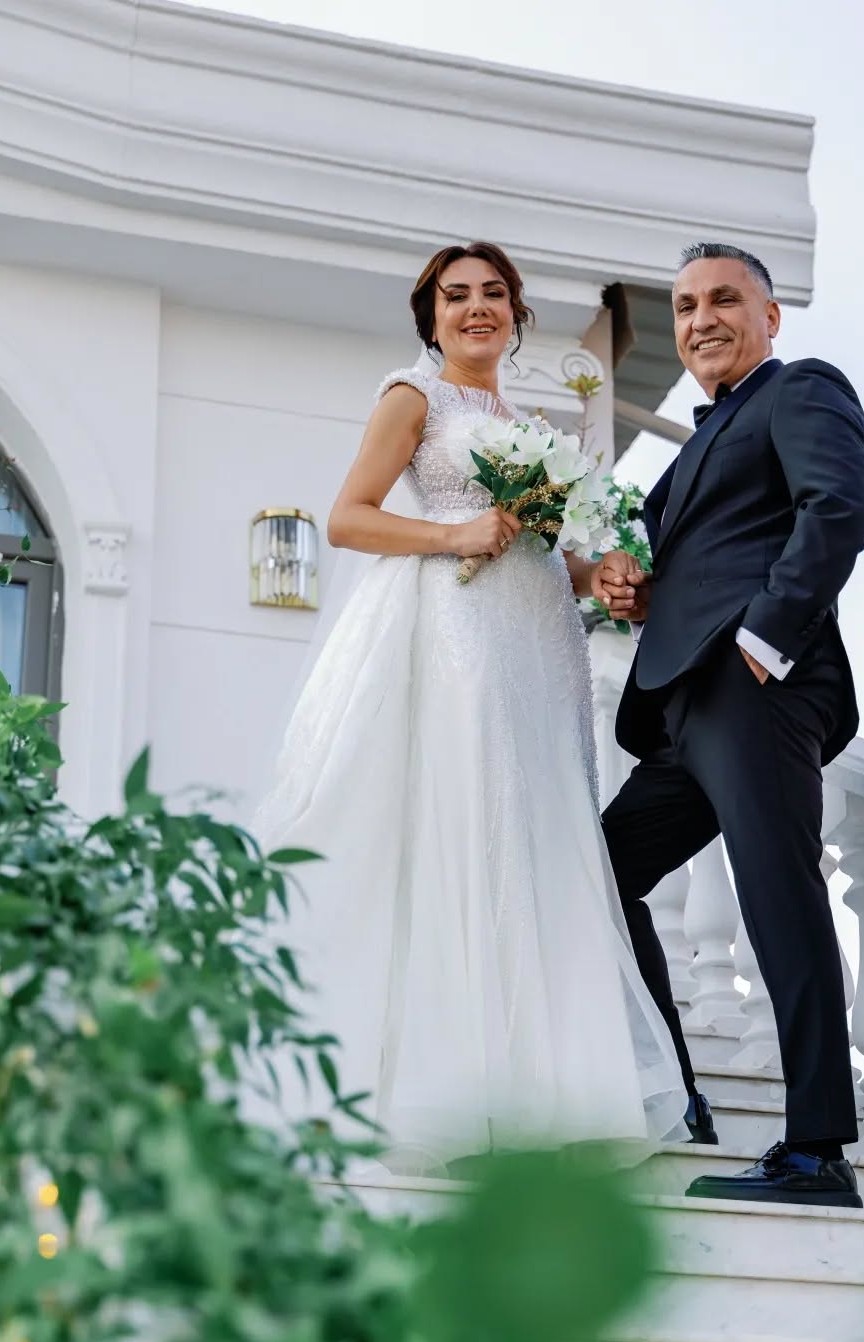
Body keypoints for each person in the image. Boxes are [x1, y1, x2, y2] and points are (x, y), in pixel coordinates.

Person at [255, 241, 687, 1172]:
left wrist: (597, 573)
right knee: (476, 821)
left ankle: (550, 1087)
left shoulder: (523, 418)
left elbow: (540, 547)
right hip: (464, 637)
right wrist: (454, 530)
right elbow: (350, 516)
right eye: (458, 297)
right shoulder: (413, 398)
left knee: (540, 831)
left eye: (495, 294)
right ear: (432, 315)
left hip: (542, 642)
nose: (477, 308)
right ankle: (468, 1089)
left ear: (517, 314)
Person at [598, 241, 864, 1207]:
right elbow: (694, 556)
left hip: (754, 687)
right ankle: (679, 1091)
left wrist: (766, 636)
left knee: (777, 897)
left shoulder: (800, 389)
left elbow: (836, 508)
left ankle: (817, 1149)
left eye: (723, 299)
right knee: (597, 875)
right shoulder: (692, 451)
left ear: (769, 316)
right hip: (681, 710)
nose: (700, 318)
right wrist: (633, 586)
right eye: (683, 306)